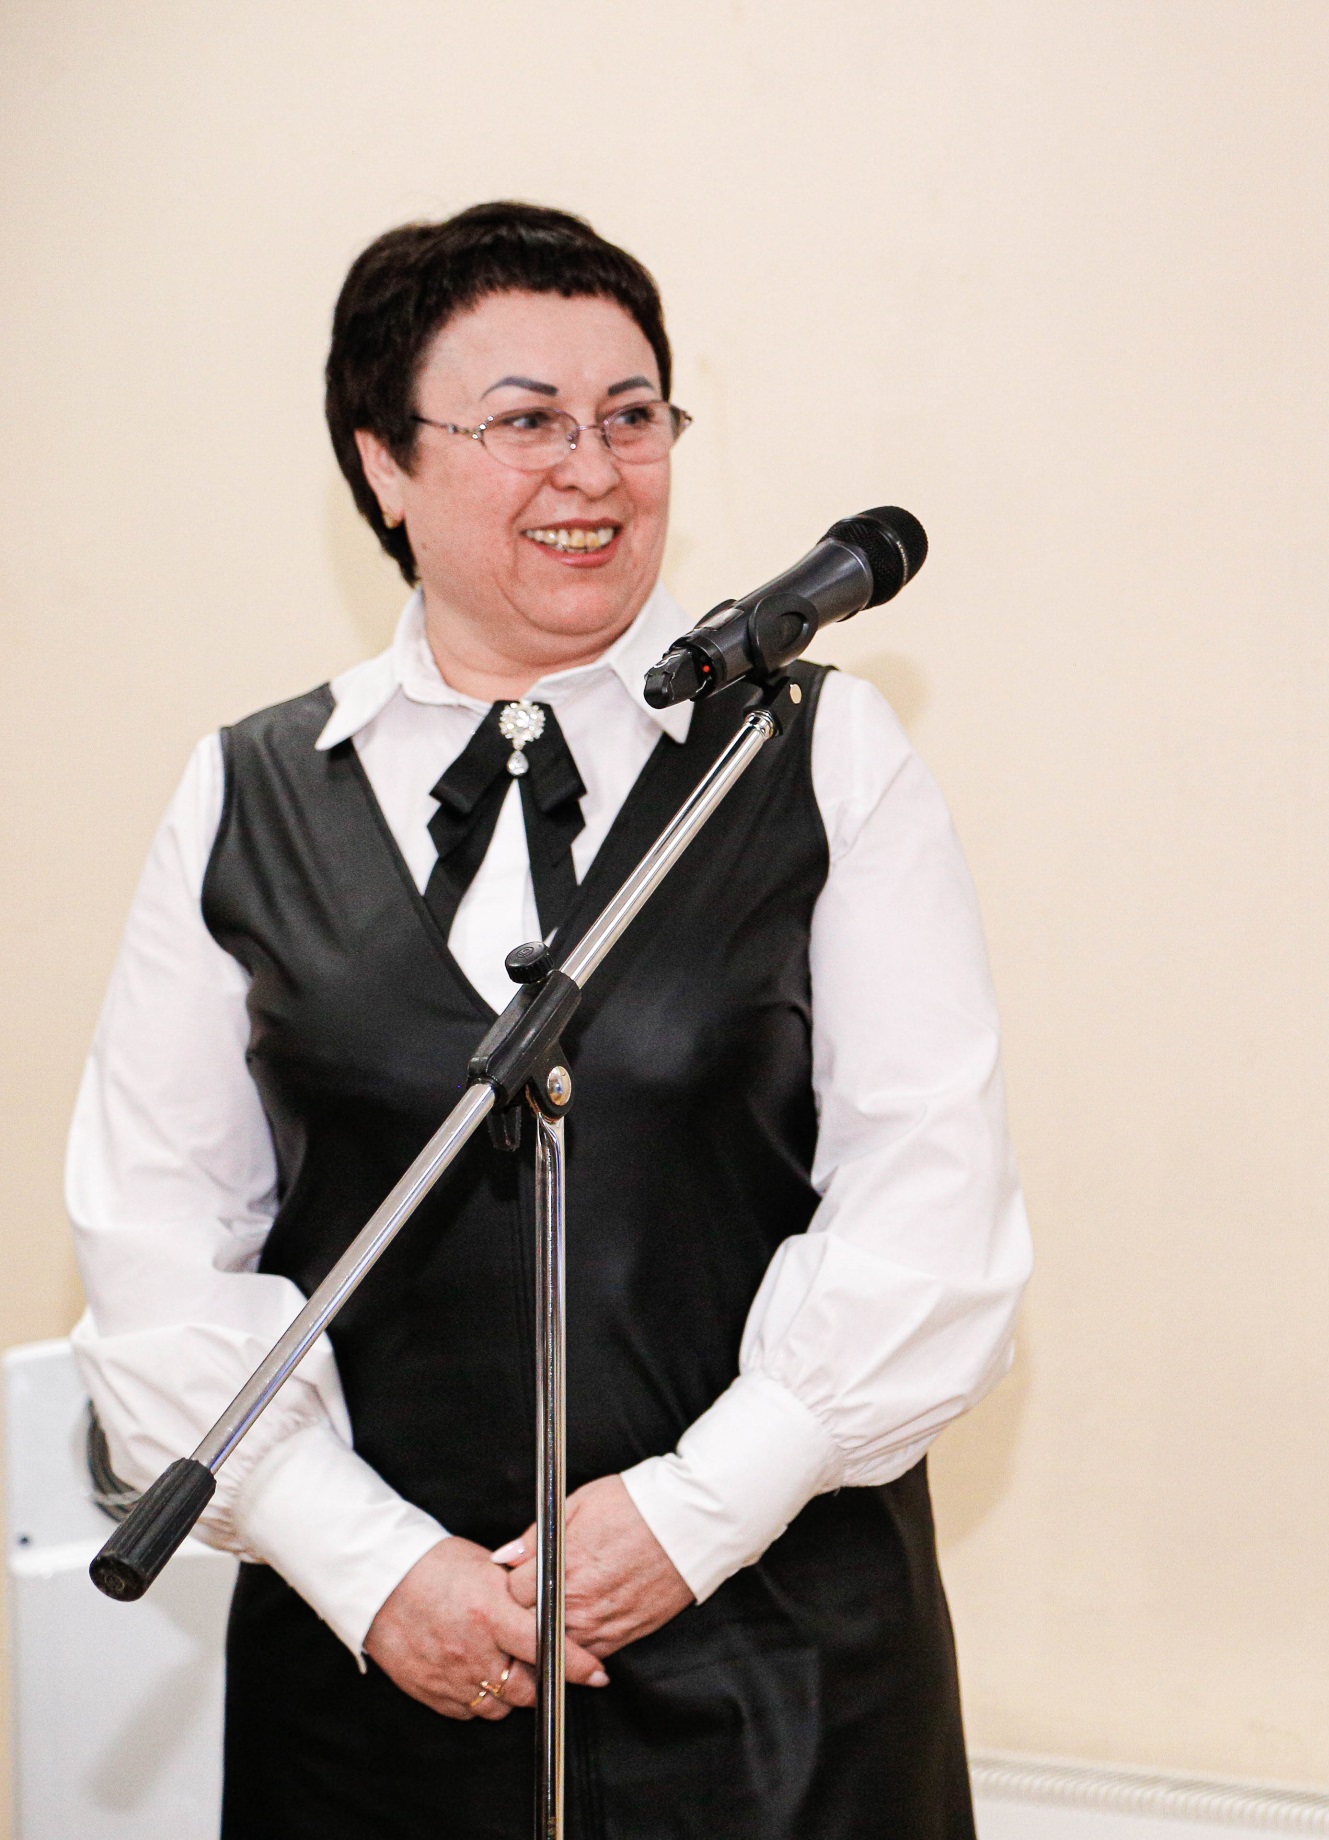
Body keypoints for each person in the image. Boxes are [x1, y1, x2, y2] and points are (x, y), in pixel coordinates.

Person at [66, 201, 1031, 1836]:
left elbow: (931, 1198)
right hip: (376, 1681)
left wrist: (690, 1517)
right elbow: (155, 1236)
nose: (595, 471)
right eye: (528, 422)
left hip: (776, 1673)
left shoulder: (820, 753)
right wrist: (375, 1568)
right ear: (384, 464)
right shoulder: (246, 794)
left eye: (632, 416)